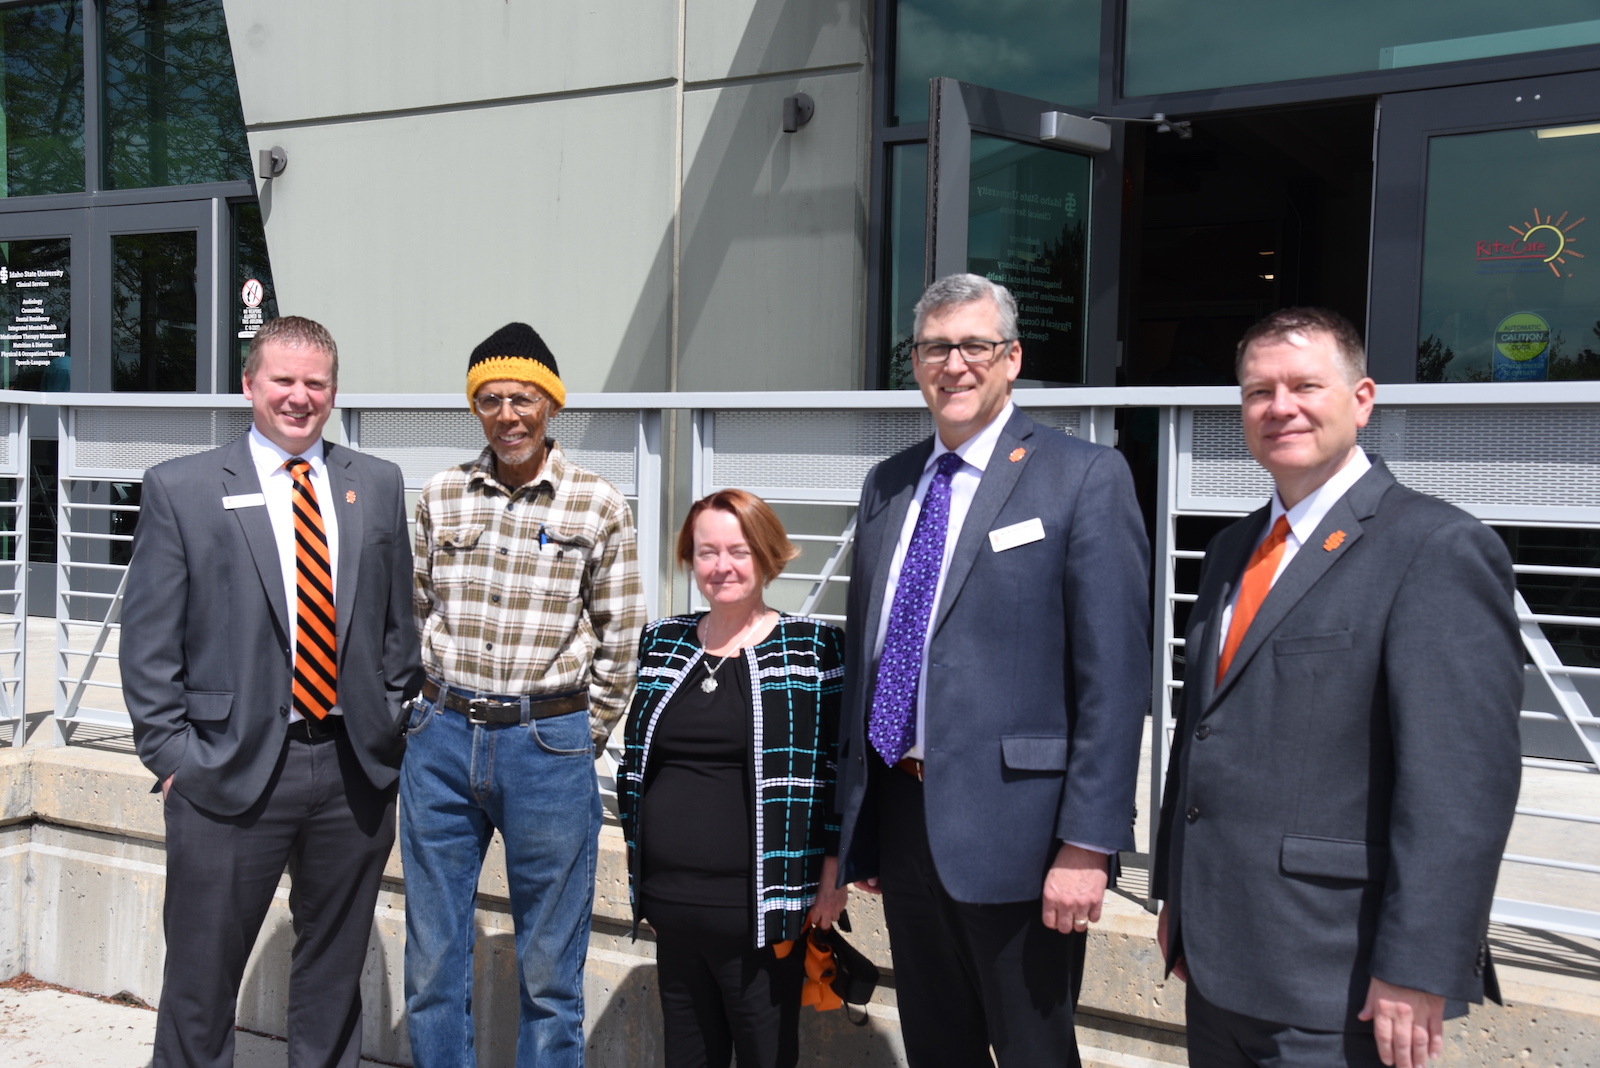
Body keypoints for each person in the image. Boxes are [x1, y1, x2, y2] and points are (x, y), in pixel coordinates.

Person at [1151, 308, 1523, 1068]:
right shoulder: (1229, 549)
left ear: (1361, 399)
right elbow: (1204, 732)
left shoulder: (1435, 547)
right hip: (1219, 966)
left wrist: (1421, 964)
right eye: (1258, 391)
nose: (1278, 407)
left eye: (1303, 385)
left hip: (1340, 980)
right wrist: (1177, 897)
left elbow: (1461, 786)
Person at [834, 273, 1151, 1066]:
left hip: (1023, 834)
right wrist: (858, 827)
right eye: (936, 347)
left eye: (975, 345)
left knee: (1034, 1050)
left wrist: (1088, 844)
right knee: (938, 1049)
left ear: (1012, 358)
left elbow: (1113, 681)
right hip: (904, 816)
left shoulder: (1082, 476)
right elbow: (870, 653)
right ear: (915, 363)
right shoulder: (890, 483)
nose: (955, 364)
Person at [121, 315, 422, 1068]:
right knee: (201, 976)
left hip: (351, 768)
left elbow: (396, 624)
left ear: (333, 391)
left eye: (314, 383)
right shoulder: (181, 488)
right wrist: (172, 757)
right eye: (282, 380)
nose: (298, 397)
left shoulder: (375, 485)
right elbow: (148, 644)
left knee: (332, 972)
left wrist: (387, 723)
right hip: (226, 770)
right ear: (249, 385)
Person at [403, 322, 647, 1067]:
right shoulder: (441, 495)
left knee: (550, 968)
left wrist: (582, 733)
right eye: (491, 399)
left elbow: (622, 633)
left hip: (549, 746)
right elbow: (415, 609)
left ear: (552, 406)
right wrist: (420, 714)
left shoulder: (597, 504)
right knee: (433, 958)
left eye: (524, 398)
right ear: (475, 408)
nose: (508, 414)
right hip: (441, 740)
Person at [618, 490, 850, 1068]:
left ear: (768, 555)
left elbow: (838, 771)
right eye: (706, 552)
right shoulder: (662, 640)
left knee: (766, 1056)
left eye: (738, 551)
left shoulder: (814, 646)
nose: (721, 566)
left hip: (761, 909)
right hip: (670, 903)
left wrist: (834, 872)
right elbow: (636, 761)